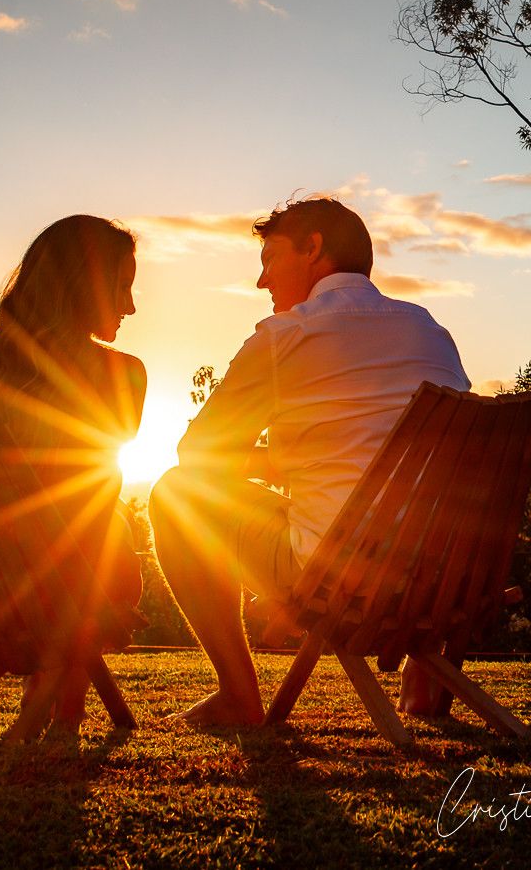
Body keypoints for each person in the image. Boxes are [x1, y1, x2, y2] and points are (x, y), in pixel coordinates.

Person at [149, 195, 468, 726]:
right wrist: (298, 462)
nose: (262, 282)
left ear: (314, 249)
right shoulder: (431, 333)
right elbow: (410, 459)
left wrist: (274, 468)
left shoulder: (286, 337)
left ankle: (237, 694)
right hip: (439, 581)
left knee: (175, 492)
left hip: (334, 580)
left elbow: (198, 454)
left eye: (269, 260)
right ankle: (428, 675)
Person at [0, 213, 146, 731]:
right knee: (103, 532)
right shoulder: (123, 374)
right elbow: (98, 487)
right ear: (83, 287)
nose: (131, 305)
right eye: (122, 287)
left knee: (79, 538)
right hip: (75, 584)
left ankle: (53, 690)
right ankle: (63, 701)